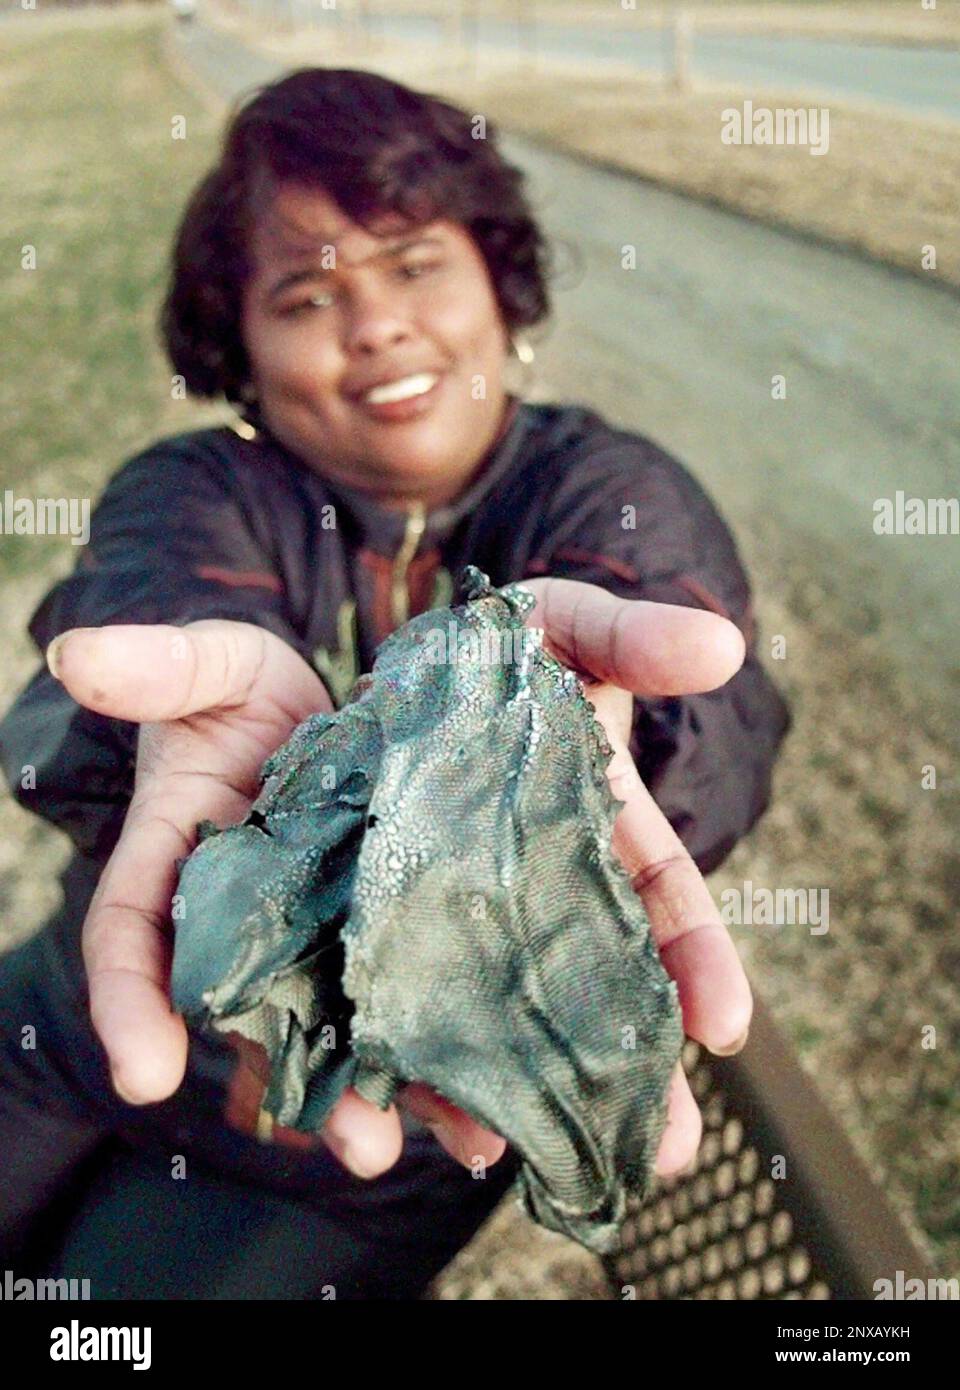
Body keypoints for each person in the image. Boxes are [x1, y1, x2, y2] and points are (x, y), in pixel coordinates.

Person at [0, 68, 791, 1298]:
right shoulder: (199, 489)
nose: (373, 325)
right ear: (243, 352)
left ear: (497, 283)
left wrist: (586, 760)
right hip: (68, 1032)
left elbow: (697, 690)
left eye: (415, 263)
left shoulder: (607, 490)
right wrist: (174, 733)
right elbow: (150, 605)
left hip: (367, 1148)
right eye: (307, 293)